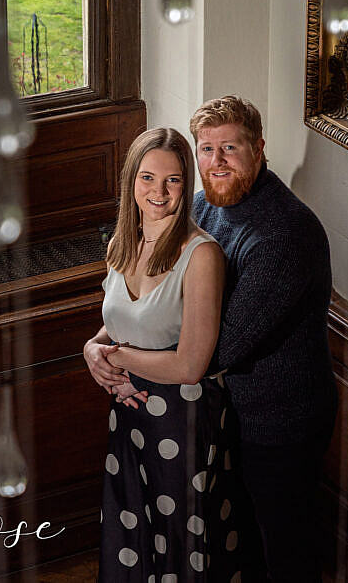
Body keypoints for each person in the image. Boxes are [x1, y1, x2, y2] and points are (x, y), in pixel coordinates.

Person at [83, 128, 249, 582]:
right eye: (148, 178)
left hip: (182, 420)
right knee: (131, 534)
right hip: (129, 416)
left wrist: (117, 358)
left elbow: (191, 364)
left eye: (173, 180)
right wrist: (92, 348)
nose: (158, 192)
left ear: (187, 183)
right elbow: (122, 323)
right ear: (130, 182)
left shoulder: (201, 256)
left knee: (183, 544)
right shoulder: (123, 242)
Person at [189, 96, 338, 583]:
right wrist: (103, 339)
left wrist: (126, 356)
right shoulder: (203, 207)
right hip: (230, 412)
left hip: (282, 422)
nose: (217, 162)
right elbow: (156, 280)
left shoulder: (284, 235)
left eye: (230, 147)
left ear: (259, 149)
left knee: (287, 552)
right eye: (206, 149)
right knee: (242, 547)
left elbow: (223, 347)